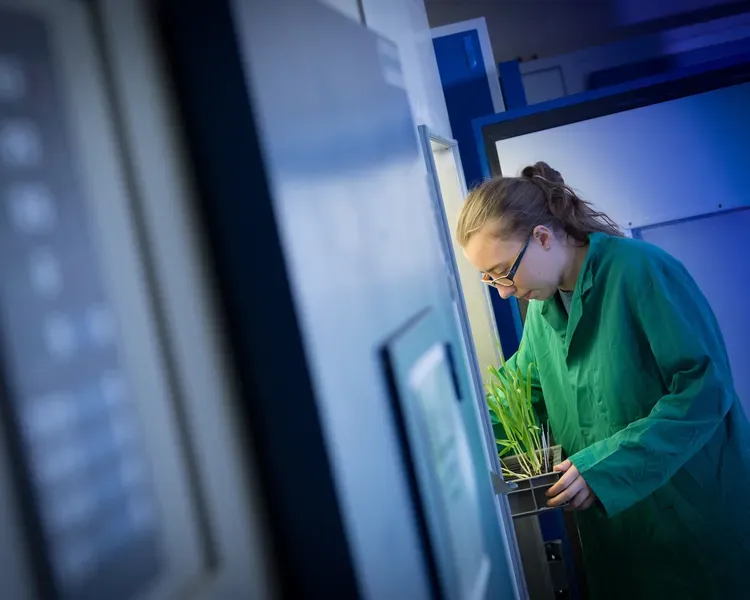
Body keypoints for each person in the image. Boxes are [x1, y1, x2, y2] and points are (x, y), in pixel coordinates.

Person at [456, 162, 750, 600]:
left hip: (692, 523)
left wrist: (605, 468)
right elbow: (517, 399)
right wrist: (453, 453)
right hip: (620, 538)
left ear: (542, 237)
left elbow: (704, 391)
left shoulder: (643, 271)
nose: (502, 291)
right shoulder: (543, 309)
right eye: (489, 279)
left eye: (503, 272)